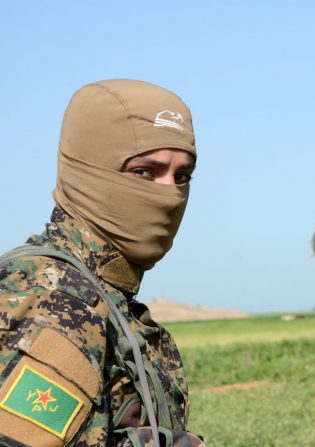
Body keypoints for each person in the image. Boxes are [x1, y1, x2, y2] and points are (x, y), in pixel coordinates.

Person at [0, 80, 205, 446]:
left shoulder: (103, 294)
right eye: (144, 172)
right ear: (88, 170)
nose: (169, 194)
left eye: (182, 176)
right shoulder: (53, 300)